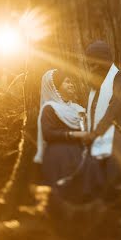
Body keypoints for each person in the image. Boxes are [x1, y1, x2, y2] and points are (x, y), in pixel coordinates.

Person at [83, 40, 121, 198]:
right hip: (96, 137)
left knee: (114, 175)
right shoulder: (94, 86)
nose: (92, 66)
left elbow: (116, 106)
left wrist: (97, 131)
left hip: (118, 133)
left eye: (95, 61)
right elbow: (89, 112)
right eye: (90, 62)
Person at [33, 69, 88, 198]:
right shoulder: (50, 108)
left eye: (72, 82)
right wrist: (74, 135)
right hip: (59, 156)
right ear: (56, 87)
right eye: (67, 82)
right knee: (62, 194)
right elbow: (48, 134)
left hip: (79, 154)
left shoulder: (77, 109)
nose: (72, 85)